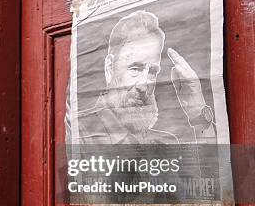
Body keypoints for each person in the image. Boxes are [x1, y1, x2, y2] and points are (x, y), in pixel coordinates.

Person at [73, 10, 216, 145]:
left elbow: (216, 171)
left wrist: (197, 112)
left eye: (153, 71)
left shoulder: (165, 144)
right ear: (109, 68)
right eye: (135, 68)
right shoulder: (80, 135)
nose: (144, 85)